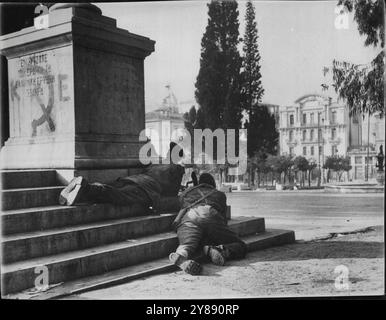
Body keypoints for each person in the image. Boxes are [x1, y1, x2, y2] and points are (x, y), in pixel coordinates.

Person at [169, 173, 247, 275]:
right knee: (241, 246)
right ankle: (218, 249)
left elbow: (180, 207)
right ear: (213, 183)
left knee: (187, 244)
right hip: (211, 214)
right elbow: (223, 219)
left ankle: (181, 254)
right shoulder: (219, 194)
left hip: (190, 216)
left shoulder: (186, 193)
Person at [59, 164, 185, 213]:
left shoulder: (159, 166)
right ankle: (87, 188)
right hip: (145, 189)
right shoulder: (176, 171)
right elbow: (167, 196)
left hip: (131, 179)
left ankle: (82, 188)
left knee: (112, 188)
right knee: (118, 196)